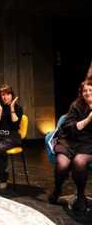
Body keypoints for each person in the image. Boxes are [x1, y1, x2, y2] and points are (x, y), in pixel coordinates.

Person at [48, 81, 92, 212]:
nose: (88, 93)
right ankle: (57, 190)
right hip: (70, 140)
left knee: (79, 162)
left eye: (90, 90)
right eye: (85, 90)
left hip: (89, 144)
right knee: (62, 164)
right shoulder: (76, 105)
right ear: (81, 92)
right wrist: (88, 119)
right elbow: (68, 127)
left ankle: (80, 195)